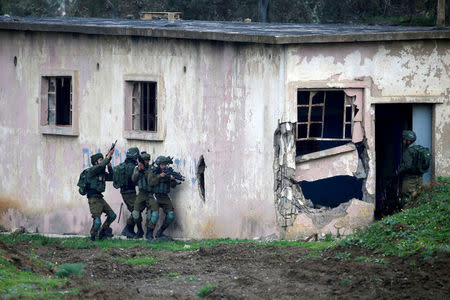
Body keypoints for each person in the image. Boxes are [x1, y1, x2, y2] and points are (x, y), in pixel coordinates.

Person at [85, 149, 116, 241]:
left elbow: (111, 177)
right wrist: (108, 156)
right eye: (100, 160)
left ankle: (103, 232)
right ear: (95, 163)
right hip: (93, 199)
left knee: (112, 215)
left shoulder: (101, 173)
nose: (102, 162)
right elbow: (102, 165)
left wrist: (109, 167)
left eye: (103, 159)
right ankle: (93, 237)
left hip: (100, 198)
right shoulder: (92, 171)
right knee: (97, 221)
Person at [147, 156, 179, 241]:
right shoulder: (153, 171)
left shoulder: (168, 172)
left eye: (165, 165)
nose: (164, 166)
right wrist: (159, 176)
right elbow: (150, 182)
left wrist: (172, 179)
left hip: (165, 196)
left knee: (170, 215)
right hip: (154, 195)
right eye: (162, 165)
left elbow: (173, 185)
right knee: (155, 215)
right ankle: (149, 233)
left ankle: (160, 232)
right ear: (158, 165)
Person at [131, 152, 158, 240]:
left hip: (151, 193)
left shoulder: (152, 168)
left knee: (152, 215)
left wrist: (144, 170)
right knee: (135, 213)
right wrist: (139, 170)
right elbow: (133, 180)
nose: (146, 162)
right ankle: (139, 230)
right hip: (141, 193)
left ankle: (149, 233)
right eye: (144, 160)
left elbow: (152, 179)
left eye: (147, 160)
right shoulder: (137, 168)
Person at [119, 147, 141, 239]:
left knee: (135, 211)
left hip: (126, 191)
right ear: (134, 157)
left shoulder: (124, 165)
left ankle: (130, 230)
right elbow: (134, 180)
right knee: (136, 211)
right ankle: (128, 229)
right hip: (129, 192)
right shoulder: (132, 167)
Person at [397, 130, 422, 206]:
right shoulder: (419, 149)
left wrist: (398, 171)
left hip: (409, 180)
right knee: (417, 198)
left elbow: (407, 165)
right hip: (419, 178)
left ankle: (406, 215)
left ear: (408, 141)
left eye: (404, 139)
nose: (403, 141)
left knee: (407, 200)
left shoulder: (408, 151)